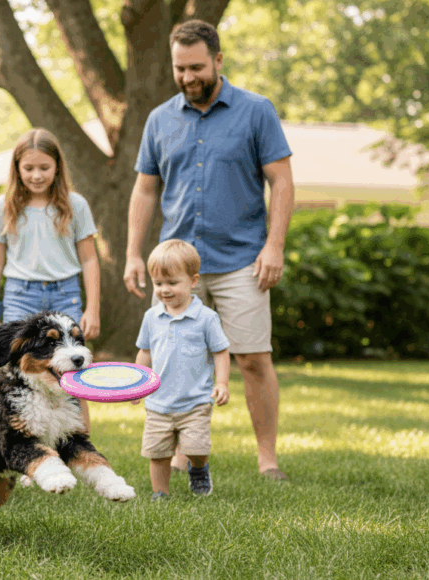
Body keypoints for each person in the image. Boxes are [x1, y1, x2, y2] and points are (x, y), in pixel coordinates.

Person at [123, 19, 294, 480]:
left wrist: (274, 247)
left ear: (218, 60)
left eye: (196, 66)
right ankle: (180, 451)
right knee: (176, 357)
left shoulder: (257, 111)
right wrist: (134, 253)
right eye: (179, 69)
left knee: (253, 358)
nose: (187, 77)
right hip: (178, 266)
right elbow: (144, 190)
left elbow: (281, 180)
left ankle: (267, 459)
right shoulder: (160, 119)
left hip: (243, 260)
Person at [0, 127, 101, 429]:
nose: (37, 175)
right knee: (14, 372)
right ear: (17, 168)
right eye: (29, 168)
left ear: (57, 167)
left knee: (74, 372)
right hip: (21, 296)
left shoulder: (75, 205)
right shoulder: (3, 208)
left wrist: (93, 308)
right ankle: (18, 442)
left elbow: (89, 259)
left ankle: (78, 442)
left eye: (44, 167)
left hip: (66, 295)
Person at [131, 240, 230, 500]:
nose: (164, 290)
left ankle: (198, 468)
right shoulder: (152, 317)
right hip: (158, 402)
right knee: (158, 452)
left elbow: (220, 351)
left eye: (172, 283)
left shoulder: (207, 317)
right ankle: (160, 493)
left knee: (196, 447)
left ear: (193, 281)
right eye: (159, 283)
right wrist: (137, 385)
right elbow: (145, 352)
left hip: (195, 401)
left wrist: (222, 384)